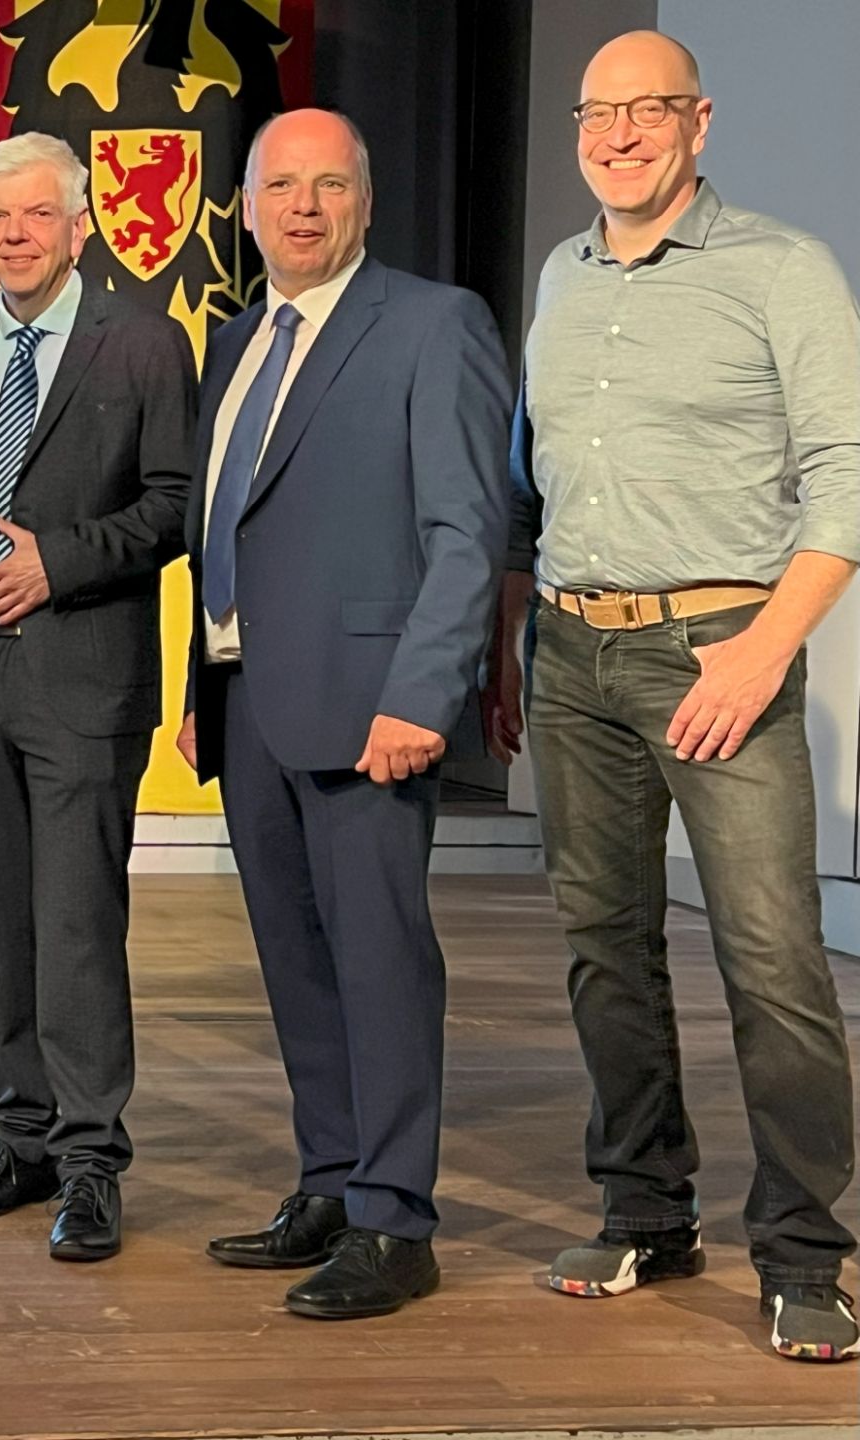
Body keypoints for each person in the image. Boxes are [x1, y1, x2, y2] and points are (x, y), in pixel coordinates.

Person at [490, 31, 859, 1362]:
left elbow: (849, 472)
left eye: (650, 108)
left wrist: (764, 649)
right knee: (606, 946)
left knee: (772, 957)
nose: (621, 132)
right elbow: (536, 477)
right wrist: (515, 633)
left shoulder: (782, 269)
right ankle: (647, 1210)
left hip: (719, 650)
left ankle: (806, 1253)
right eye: (600, 111)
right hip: (573, 654)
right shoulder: (561, 274)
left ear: (699, 121)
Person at [178, 109, 510, 1317]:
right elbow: (228, 526)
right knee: (294, 961)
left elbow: (467, 530)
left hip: (373, 709)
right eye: (280, 187)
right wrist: (202, 682)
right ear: (247, 207)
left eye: (328, 185)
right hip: (249, 703)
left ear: (364, 201)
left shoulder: (433, 323)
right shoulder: (236, 341)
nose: (303, 208)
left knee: (379, 964)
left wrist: (424, 694)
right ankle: (330, 1181)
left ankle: (395, 1221)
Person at [0, 132, 194, 1261]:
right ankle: (22, 1138)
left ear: (80, 224)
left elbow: (176, 502)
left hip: (81, 671)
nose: (13, 236)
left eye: (34, 216)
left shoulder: (143, 342)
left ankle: (91, 1160)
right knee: (1, 920)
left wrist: (58, 562)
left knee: (76, 924)